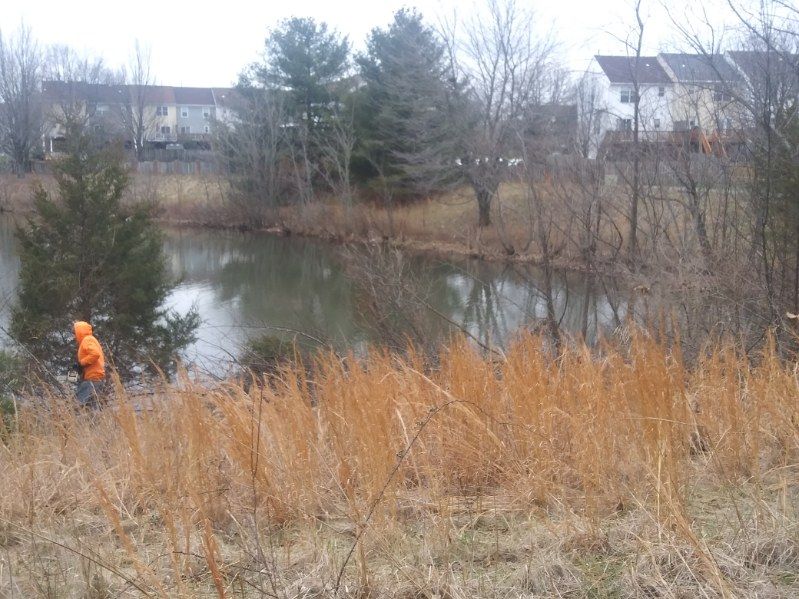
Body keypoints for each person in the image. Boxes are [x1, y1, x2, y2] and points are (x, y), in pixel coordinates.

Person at [73, 321, 106, 408]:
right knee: (93, 408)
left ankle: (76, 421)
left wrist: (81, 363)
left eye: (75, 332)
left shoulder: (87, 340)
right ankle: (95, 422)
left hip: (92, 378)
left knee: (77, 405)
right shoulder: (91, 340)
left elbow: (95, 354)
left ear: (79, 331)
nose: (74, 335)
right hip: (96, 378)